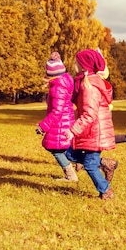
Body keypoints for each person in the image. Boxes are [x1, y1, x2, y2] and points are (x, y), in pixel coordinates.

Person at [65, 49, 118, 200]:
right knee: (69, 153)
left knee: (89, 165)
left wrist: (73, 131)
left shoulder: (89, 86)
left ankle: (105, 191)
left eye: (77, 62)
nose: (74, 64)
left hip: (95, 132)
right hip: (91, 130)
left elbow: (89, 114)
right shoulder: (85, 82)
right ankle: (106, 164)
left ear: (84, 65)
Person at [36, 52, 78, 182]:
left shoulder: (57, 88)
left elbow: (56, 111)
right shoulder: (65, 82)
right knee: (65, 149)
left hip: (59, 123)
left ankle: (71, 175)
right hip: (65, 120)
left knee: (55, 149)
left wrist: (44, 126)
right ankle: (98, 163)